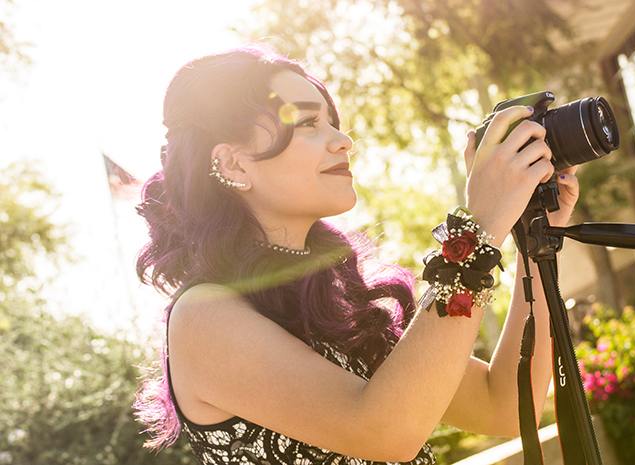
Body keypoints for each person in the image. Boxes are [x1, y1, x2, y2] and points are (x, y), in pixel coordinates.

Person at [134, 43, 579, 465]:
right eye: (308, 123)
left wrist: (532, 240)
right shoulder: (203, 317)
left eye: (333, 121)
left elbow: (503, 404)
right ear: (233, 163)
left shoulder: (340, 300)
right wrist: (476, 228)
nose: (342, 140)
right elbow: (386, 431)